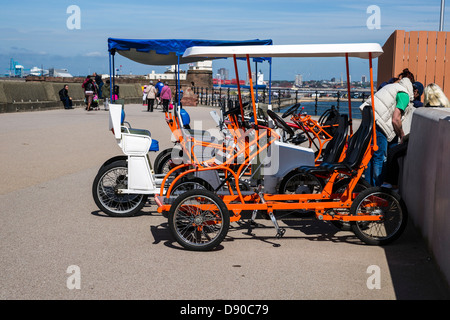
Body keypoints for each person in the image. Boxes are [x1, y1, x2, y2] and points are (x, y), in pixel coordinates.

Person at [362, 68, 416, 187]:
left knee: (370, 157)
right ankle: (377, 189)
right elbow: (396, 119)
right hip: (379, 125)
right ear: (411, 86)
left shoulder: (391, 87)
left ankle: (367, 187)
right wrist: (402, 134)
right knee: (379, 158)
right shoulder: (404, 94)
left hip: (370, 121)